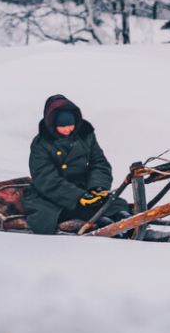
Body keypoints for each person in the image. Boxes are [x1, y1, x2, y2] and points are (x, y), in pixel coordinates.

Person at [23, 94, 125, 235]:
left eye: (70, 125)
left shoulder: (85, 135)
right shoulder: (41, 144)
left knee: (117, 204)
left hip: (84, 188)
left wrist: (97, 187)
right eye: (62, 126)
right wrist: (78, 197)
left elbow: (99, 163)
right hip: (50, 195)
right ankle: (105, 226)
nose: (68, 130)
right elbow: (45, 179)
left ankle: (128, 221)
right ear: (52, 124)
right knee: (56, 214)